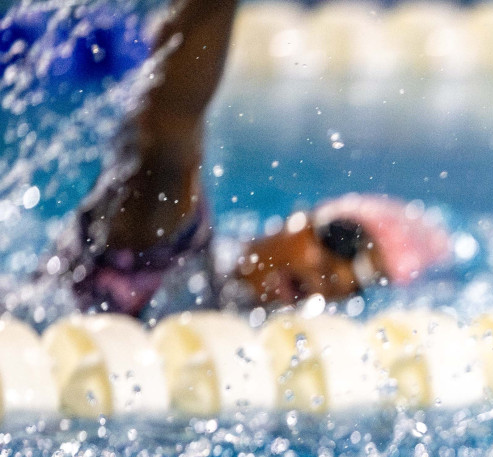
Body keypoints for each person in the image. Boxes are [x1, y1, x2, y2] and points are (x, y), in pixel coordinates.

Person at [58, 0, 449, 317]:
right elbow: (168, 125)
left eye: (360, 287)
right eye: (344, 239)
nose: (339, 276)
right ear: (301, 219)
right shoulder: (166, 246)